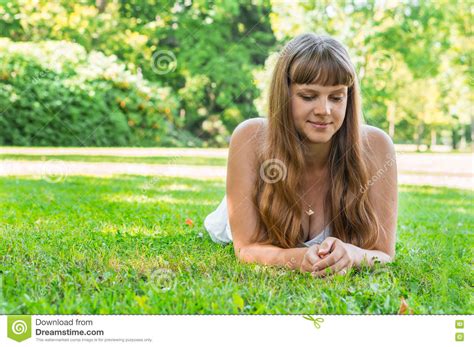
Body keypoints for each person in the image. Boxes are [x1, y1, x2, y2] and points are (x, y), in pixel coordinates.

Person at [204, 33, 398, 277]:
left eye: (336, 97)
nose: (324, 110)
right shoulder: (250, 138)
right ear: (284, 94)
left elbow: (384, 253)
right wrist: (296, 258)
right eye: (308, 96)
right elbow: (246, 248)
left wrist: (353, 253)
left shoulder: (377, 146)